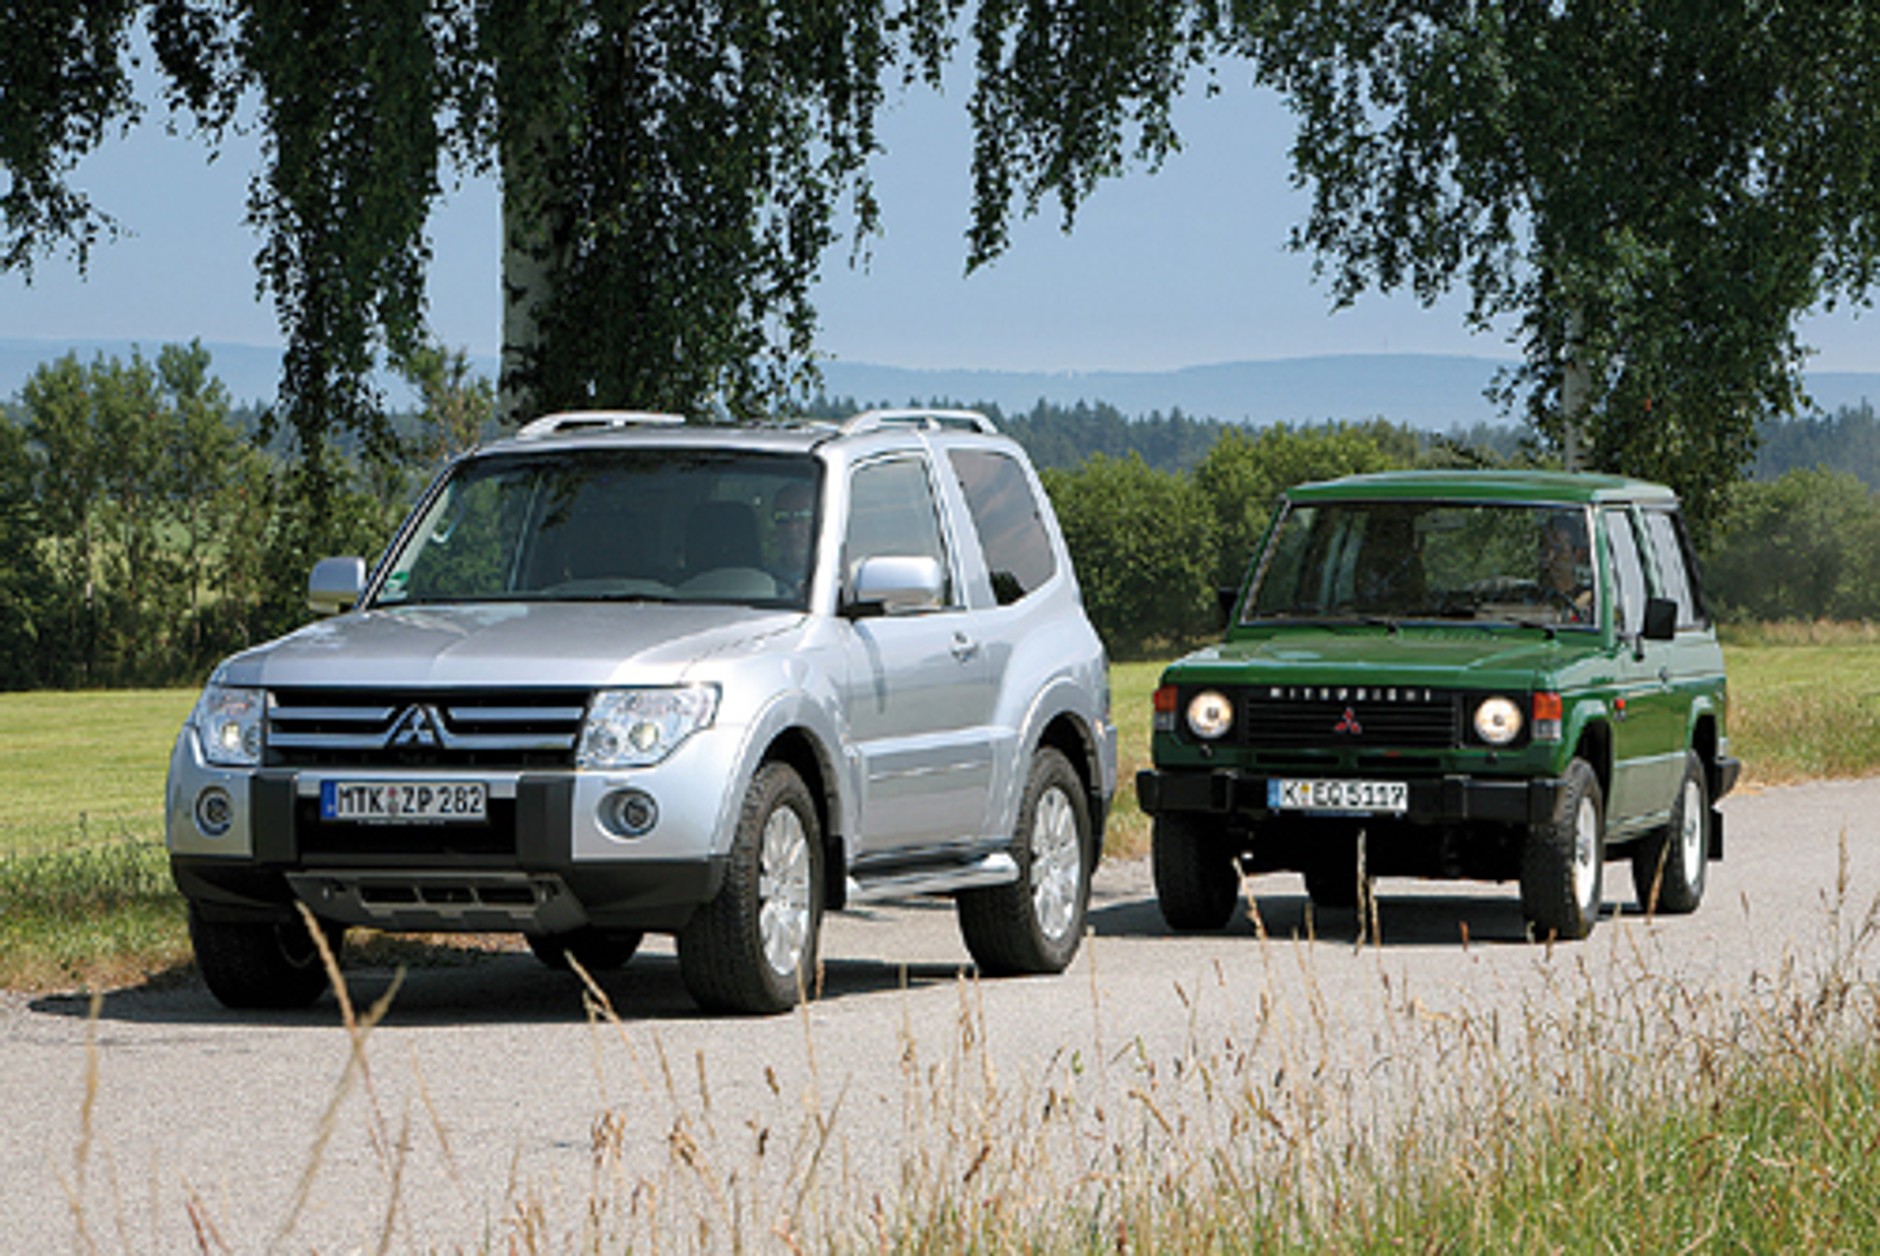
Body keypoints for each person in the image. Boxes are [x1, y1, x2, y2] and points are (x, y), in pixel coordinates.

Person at [1538, 511, 1594, 622]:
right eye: (1545, 550)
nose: (1550, 559)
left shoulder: (1592, 601)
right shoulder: (1531, 598)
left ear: (1578, 554)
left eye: (1559, 550)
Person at [767, 480, 816, 599]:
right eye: (782, 517)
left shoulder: (837, 581)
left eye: (803, 516)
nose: (792, 528)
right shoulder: (759, 583)